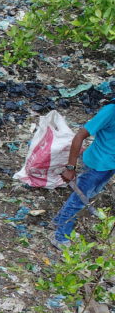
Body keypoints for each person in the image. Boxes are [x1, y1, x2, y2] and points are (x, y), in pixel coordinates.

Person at [53, 102, 115, 248]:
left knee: (85, 195)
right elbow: (80, 135)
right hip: (97, 164)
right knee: (78, 200)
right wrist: (70, 167)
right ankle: (60, 238)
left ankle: (58, 222)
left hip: (109, 165)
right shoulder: (111, 111)